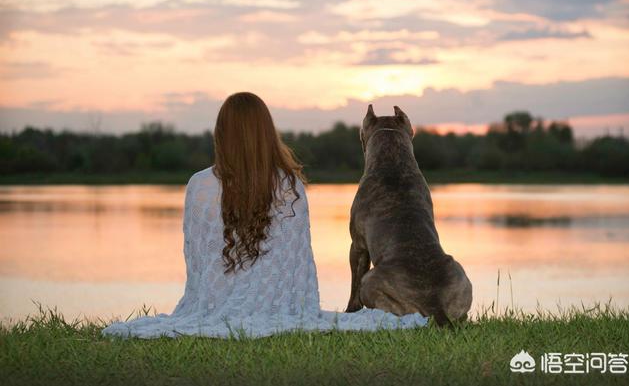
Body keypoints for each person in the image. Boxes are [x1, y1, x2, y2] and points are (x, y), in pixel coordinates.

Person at [102, 92, 428, 338]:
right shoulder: (291, 186)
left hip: (211, 307)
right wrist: (293, 307)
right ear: (267, 133)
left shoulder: (198, 185)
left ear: (221, 134)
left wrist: (215, 301)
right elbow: (300, 268)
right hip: (283, 308)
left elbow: (198, 265)